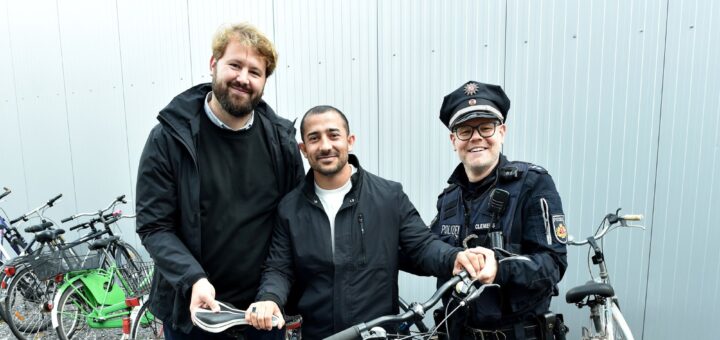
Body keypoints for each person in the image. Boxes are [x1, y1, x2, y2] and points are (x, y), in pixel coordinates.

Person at [244, 105, 490, 339]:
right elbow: (279, 268)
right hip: (318, 335)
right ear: (303, 148)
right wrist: (269, 298)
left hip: (379, 334)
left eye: (334, 135)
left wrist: (454, 258)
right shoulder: (289, 208)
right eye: (314, 138)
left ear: (350, 141)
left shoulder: (389, 196)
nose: (325, 145)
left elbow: (422, 245)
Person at [135, 22, 303, 339]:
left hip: (261, 316)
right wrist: (193, 279)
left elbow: (291, 230)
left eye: (255, 71)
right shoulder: (170, 138)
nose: (243, 78)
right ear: (214, 64)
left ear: (265, 81)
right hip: (194, 313)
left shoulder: (281, 144)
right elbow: (154, 225)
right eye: (235, 65)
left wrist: (272, 294)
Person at [431, 81, 568, 340]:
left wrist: (500, 268)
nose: (476, 137)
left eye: (486, 127)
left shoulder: (533, 183)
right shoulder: (448, 199)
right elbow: (425, 251)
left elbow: (554, 263)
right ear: (453, 140)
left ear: (501, 132)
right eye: (464, 130)